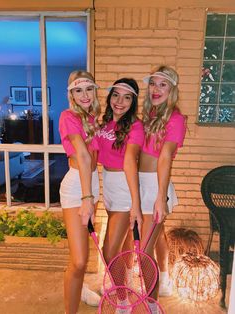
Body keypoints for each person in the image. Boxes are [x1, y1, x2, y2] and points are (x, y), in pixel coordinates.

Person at [139, 66, 187, 308]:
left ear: (172, 90)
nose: (156, 89)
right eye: (153, 84)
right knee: (157, 237)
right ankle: (165, 279)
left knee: (144, 252)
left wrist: (160, 198)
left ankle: (151, 304)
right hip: (142, 185)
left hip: (156, 188)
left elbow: (166, 156)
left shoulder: (175, 119)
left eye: (163, 85)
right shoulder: (150, 116)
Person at [94, 78, 144, 310]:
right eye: (116, 95)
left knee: (109, 250)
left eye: (126, 97)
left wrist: (135, 203)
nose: (120, 102)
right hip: (109, 187)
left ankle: (123, 300)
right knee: (123, 249)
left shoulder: (135, 126)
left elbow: (130, 162)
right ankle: (126, 286)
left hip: (125, 188)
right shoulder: (102, 123)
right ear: (109, 97)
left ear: (133, 101)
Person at [59, 70, 101, 314]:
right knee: (79, 261)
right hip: (78, 187)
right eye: (78, 90)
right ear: (71, 94)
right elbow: (83, 156)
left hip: (91, 183)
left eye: (88, 89)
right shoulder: (68, 116)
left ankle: (81, 287)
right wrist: (87, 198)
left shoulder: (93, 117)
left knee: (82, 253)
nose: (84, 95)